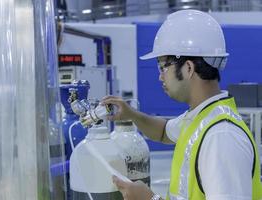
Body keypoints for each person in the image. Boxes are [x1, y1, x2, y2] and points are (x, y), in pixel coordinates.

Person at [102, 10, 262, 200]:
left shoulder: (221, 137)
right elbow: (163, 132)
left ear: (188, 68)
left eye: (163, 67)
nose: (160, 76)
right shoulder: (201, 117)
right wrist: (131, 114)